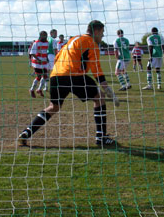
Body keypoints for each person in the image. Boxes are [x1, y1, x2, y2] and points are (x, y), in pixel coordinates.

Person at [18, 20, 119, 148]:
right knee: (99, 98)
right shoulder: (91, 43)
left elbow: (57, 57)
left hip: (56, 75)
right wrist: (107, 89)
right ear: (97, 31)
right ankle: (101, 137)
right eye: (102, 33)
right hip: (74, 75)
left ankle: (26, 133)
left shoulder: (72, 40)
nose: (102, 36)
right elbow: (96, 68)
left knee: (53, 107)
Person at [28, 31, 49, 98]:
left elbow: (46, 52)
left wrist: (47, 58)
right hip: (37, 63)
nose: (45, 37)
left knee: (45, 76)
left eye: (46, 35)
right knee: (39, 77)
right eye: (43, 35)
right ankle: (31, 90)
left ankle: (39, 89)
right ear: (40, 36)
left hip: (44, 62)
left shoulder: (47, 43)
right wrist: (38, 59)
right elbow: (32, 53)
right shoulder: (36, 43)